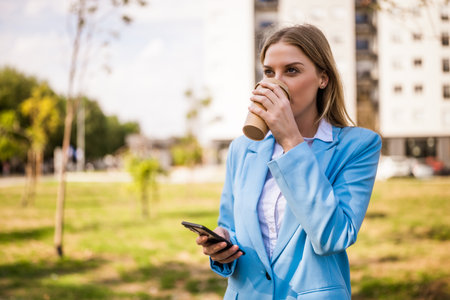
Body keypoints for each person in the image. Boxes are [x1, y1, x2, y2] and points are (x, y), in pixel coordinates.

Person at [196, 24, 381, 300]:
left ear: (323, 79)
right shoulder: (242, 149)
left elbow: (333, 237)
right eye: (269, 72)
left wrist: (292, 142)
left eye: (291, 71)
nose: (275, 83)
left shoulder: (358, 146)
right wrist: (222, 250)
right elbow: (231, 227)